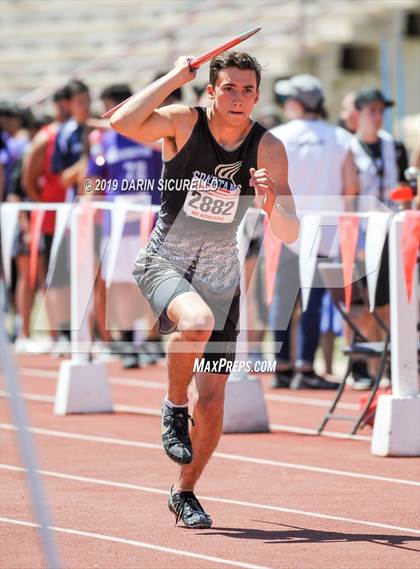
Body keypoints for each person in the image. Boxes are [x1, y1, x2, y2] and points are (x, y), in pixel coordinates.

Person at [110, 51, 299, 528]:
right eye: (229, 88)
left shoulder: (268, 147)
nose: (239, 98)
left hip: (219, 275)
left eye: (248, 90)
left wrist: (271, 200)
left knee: (213, 402)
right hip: (166, 258)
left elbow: (291, 231)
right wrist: (176, 75)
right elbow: (121, 122)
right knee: (195, 322)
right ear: (211, 91)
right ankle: (173, 406)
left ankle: (184, 491)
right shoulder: (182, 121)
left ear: (258, 95)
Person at [270, 74, 359, 389]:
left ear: (297, 102)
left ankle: (281, 366)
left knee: (283, 299)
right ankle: (306, 368)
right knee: (312, 300)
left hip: (286, 226)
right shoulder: (340, 137)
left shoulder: (278, 135)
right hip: (325, 230)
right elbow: (351, 187)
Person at [86, 83, 163, 369]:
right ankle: (129, 339)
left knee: (153, 281)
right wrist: (88, 208)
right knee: (120, 283)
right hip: (117, 223)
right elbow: (93, 178)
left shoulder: (152, 133)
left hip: (152, 219)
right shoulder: (105, 141)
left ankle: (153, 340)